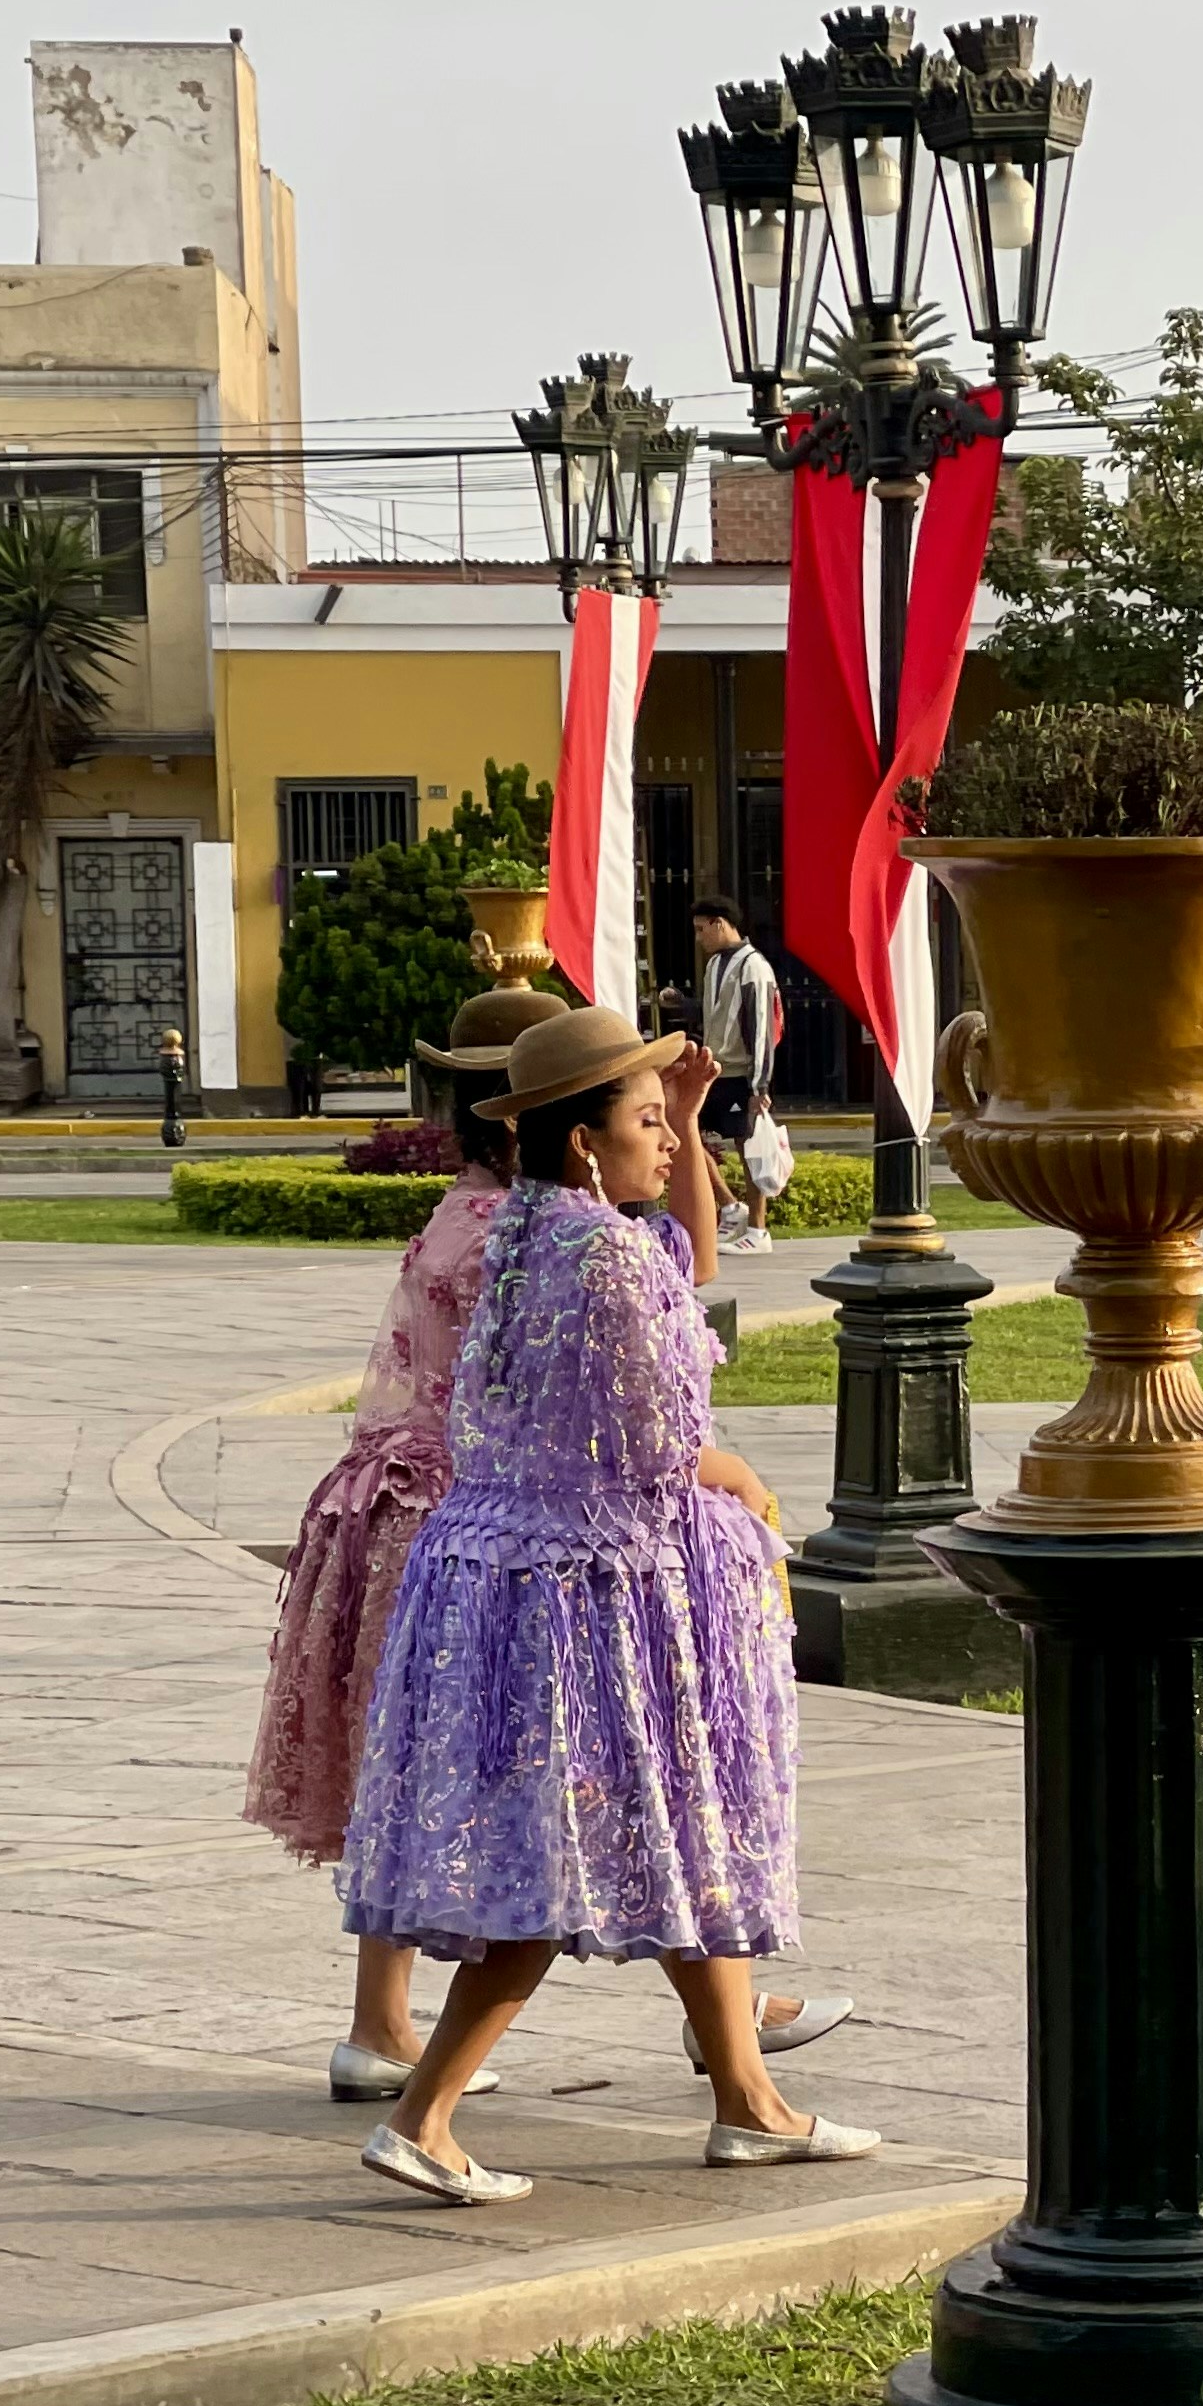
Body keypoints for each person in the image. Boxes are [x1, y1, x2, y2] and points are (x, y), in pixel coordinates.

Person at [249, 984, 855, 2105]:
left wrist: (671, 1117)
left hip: (471, 1534)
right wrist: (746, 1490)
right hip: (551, 1551)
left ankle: (731, 2073)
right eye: (643, 1115)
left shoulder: (510, 1220)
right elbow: (660, 1423)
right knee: (577, 1812)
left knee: (566, 1807)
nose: (667, 1137)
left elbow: (672, 1268)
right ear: (566, 1126)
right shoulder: (550, 1242)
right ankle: (432, 2093)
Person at [694, 898, 783, 1255]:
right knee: (681, 1129)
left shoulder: (754, 967)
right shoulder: (715, 964)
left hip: (743, 1073)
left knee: (749, 1147)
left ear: (719, 924)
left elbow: (761, 1028)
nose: (700, 938)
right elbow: (718, 1015)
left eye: (702, 929)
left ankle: (759, 1231)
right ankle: (730, 1205)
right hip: (715, 1068)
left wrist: (759, 1086)